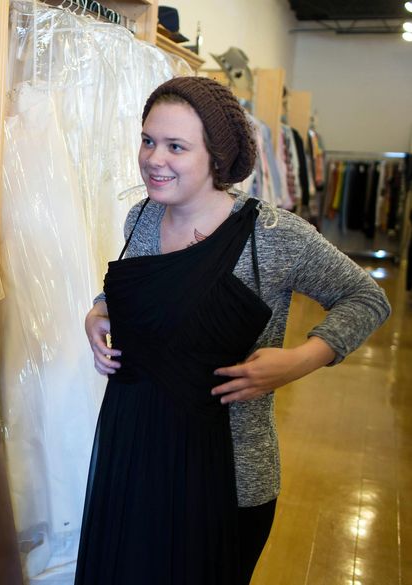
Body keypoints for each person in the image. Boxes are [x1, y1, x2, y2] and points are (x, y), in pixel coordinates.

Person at [76, 76, 390, 585]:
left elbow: (367, 297)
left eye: (176, 146)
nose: (154, 158)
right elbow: (138, 290)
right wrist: (98, 312)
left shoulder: (272, 235)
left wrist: (301, 360)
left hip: (229, 470)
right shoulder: (142, 218)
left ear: (217, 157)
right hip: (132, 450)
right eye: (149, 140)